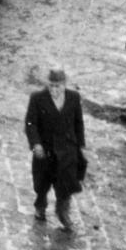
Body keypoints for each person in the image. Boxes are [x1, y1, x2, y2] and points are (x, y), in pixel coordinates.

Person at [24, 67, 85, 233]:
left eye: (58, 86)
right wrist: (36, 144)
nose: (54, 90)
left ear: (64, 85)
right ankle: (40, 205)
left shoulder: (73, 98)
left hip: (67, 151)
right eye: (51, 86)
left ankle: (63, 213)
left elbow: (78, 123)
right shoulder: (37, 98)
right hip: (45, 150)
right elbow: (30, 123)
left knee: (66, 185)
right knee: (42, 183)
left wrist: (79, 147)